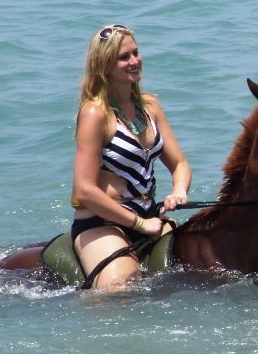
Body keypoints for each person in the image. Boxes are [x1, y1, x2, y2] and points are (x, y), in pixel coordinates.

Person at [70, 24, 191, 289]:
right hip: (102, 222)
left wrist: (179, 191)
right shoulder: (95, 114)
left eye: (135, 53)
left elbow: (179, 163)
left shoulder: (150, 106)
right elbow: (85, 190)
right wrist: (140, 224)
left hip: (150, 215)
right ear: (104, 66)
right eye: (124, 57)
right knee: (120, 287)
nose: (134, 61)